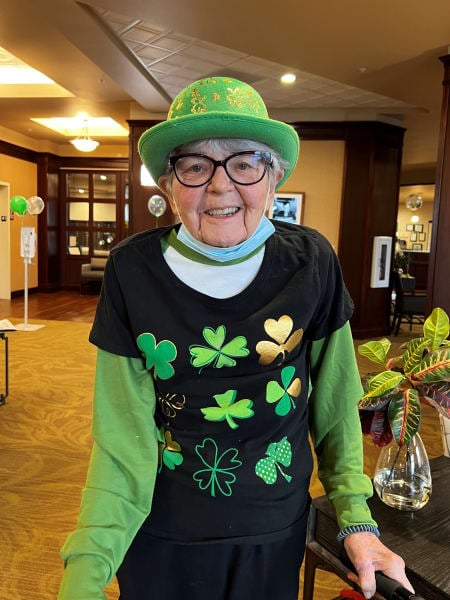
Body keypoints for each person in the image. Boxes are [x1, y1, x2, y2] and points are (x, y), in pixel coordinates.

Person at [58, 76, 413, 600]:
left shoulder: (312, 261)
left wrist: (356, 521)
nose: (221, 186)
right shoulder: (131, 270)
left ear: (273, 177)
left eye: (245, 162)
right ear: (168, 184)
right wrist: (84, 572)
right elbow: (120, 440)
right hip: (162, 526)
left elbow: (336, 407)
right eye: (195, 165)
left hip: (272, 525)